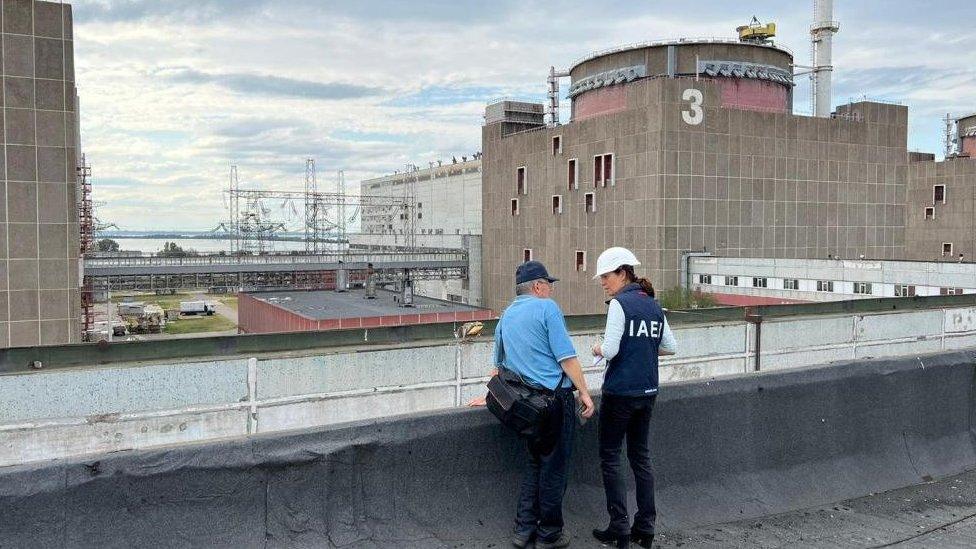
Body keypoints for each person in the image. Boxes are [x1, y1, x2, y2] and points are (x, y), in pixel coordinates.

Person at [490, 260, 595, 549]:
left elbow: (498, 366)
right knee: (554, 469)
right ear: (538, 286)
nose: (550, 290)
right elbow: (566, 357)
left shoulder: (506, 315)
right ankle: (549, 534)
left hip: (525, 406)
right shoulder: (547, 308)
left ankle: (523, 530)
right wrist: (584, 392)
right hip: (555, 402)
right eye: (548, 285)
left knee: (535, 464)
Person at [589, 248, 676, 548]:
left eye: (606, 276)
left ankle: (619, 527)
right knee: (641, 457)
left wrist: (597, 348)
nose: (603, 282)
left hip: (620, 393)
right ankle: (646, 527)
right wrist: (644, 349)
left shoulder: (619, 305)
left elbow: (611, 350)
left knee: (611, 457)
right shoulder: (653, 305)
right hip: (648, 391)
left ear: (622, 273)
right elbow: (671, 346)